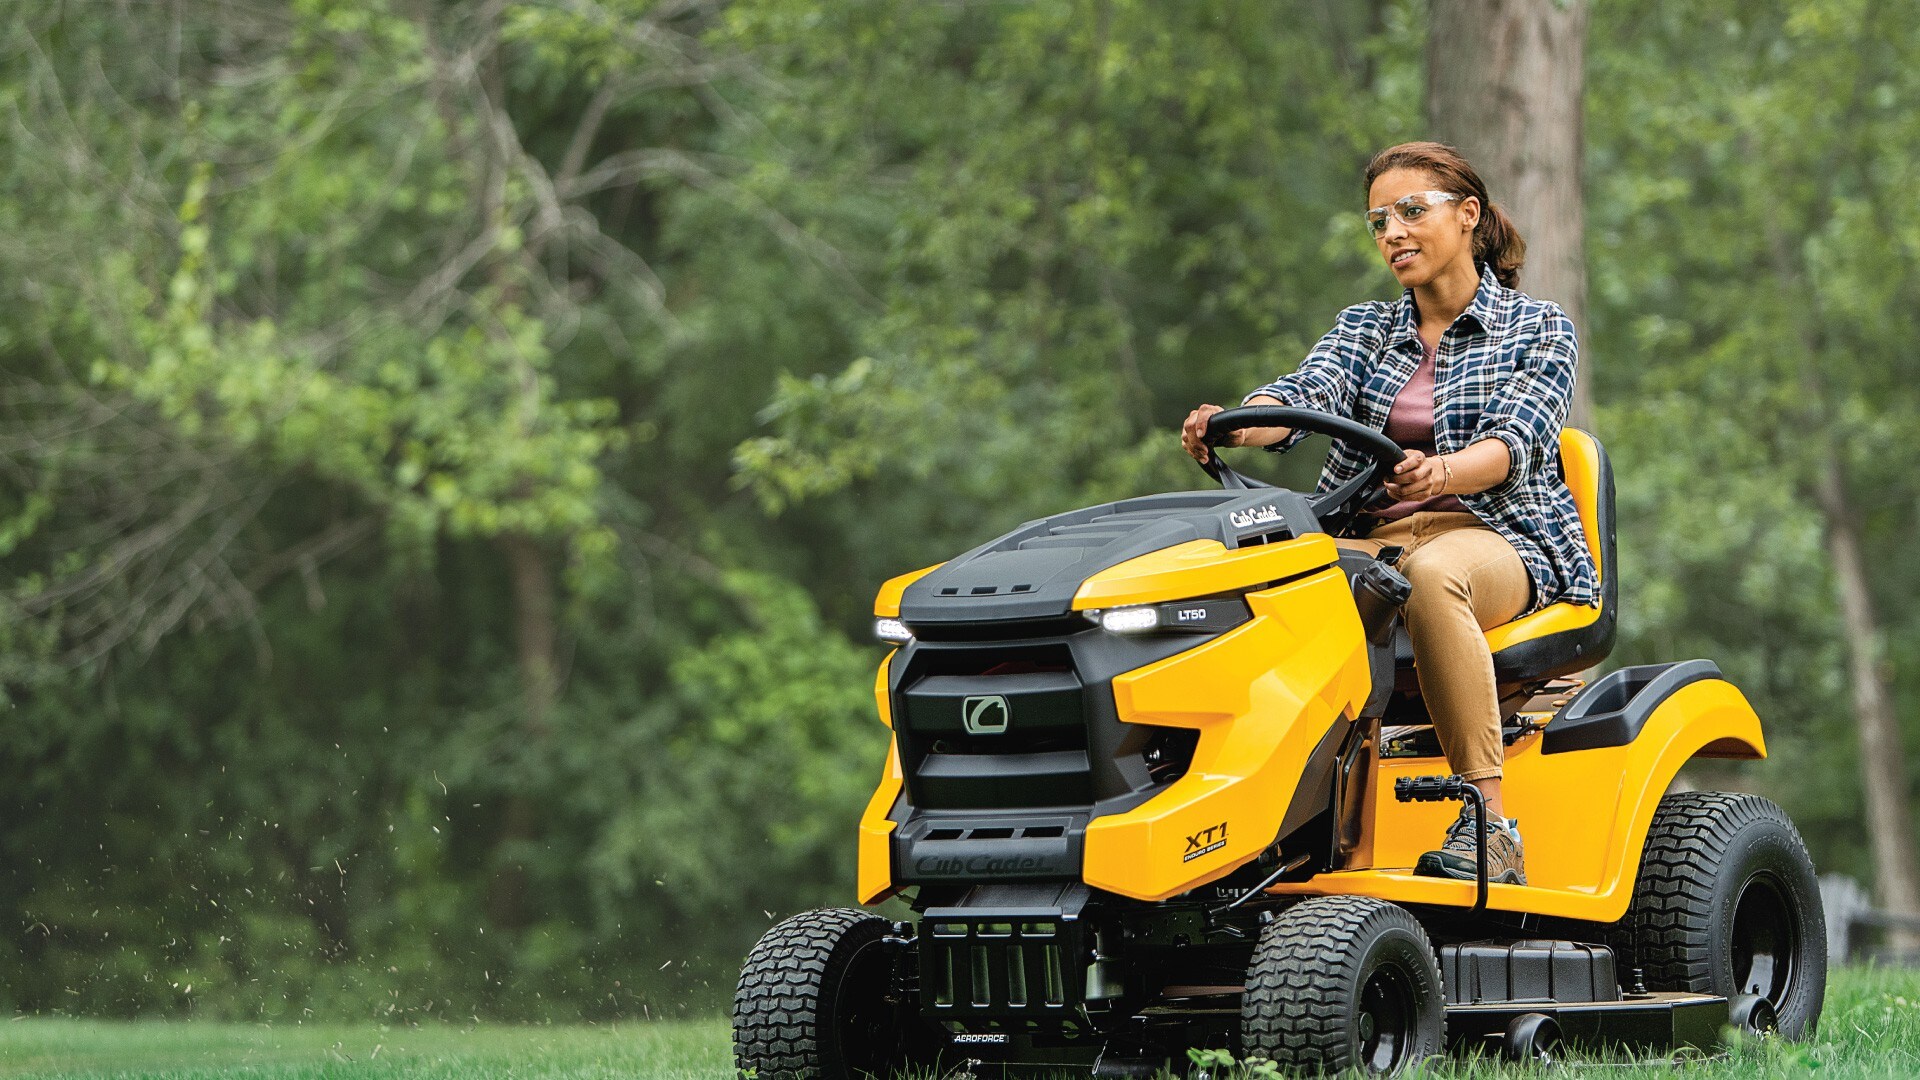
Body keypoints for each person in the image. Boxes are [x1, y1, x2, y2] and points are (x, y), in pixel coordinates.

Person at [1179, 141, 1599, 886]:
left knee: (1432, 577)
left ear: (1468, 216)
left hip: (1494, 537)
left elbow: (1518, 441)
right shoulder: (1366, 328)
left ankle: (1489, 826)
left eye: (1412, 211)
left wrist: (1442, 470)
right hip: (1368, 541)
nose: (1393, 233)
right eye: (1379, 221)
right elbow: (1305, 397)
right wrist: (1240, 422)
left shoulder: (1538, 327)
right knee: (1248, 591)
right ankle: (1242, 823)